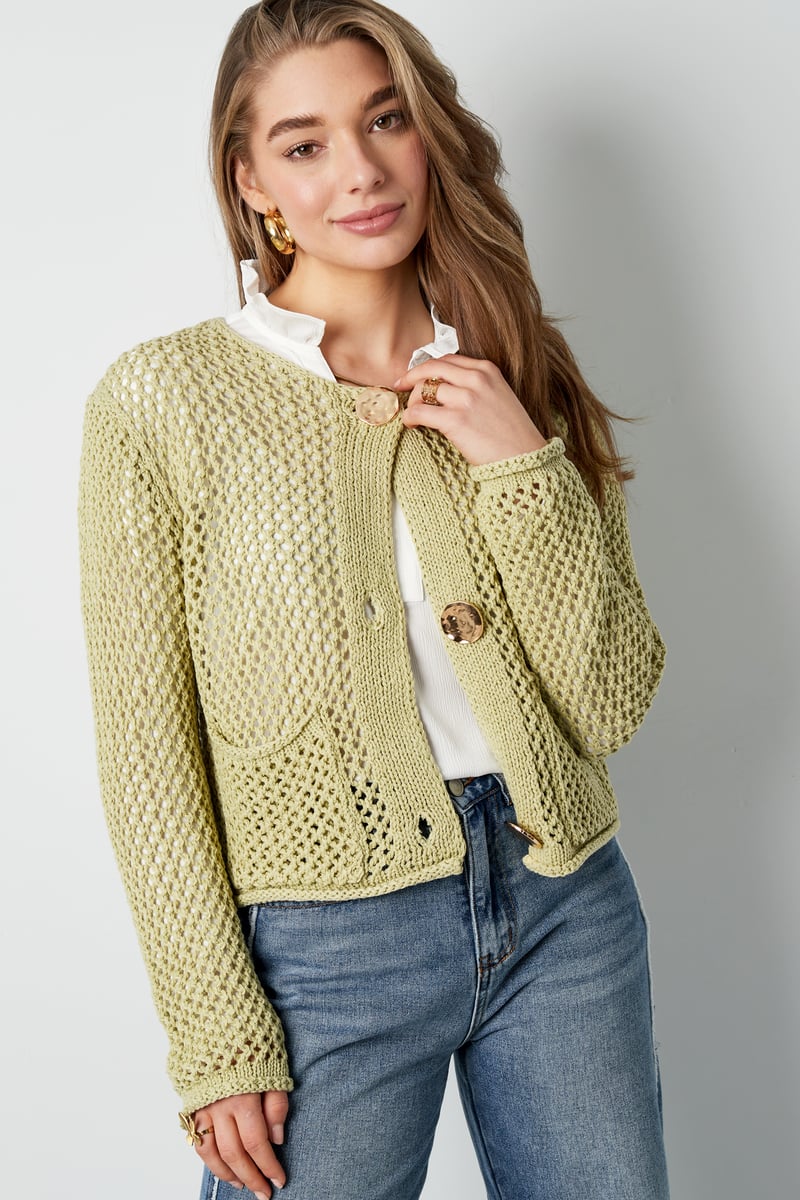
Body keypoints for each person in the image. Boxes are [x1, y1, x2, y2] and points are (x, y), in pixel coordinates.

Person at [78, 2, 670, 1197]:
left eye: (384, 120)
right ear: (251, 183)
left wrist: (518, 466)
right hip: (322, 942)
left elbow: (609, 702)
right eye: (303, 144)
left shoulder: (520, 375)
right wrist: (214, 1030)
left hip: (564, 906)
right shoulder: (163, 401)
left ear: (427, 135)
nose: (357, 170)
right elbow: (148, 755)